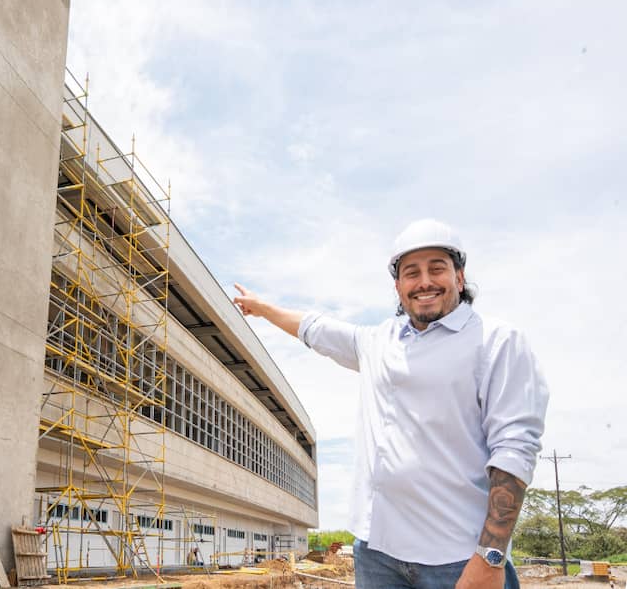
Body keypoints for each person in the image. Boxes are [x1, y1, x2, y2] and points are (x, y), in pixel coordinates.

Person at [232, 219, 549, 589]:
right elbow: (314, 328)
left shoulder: (497, 342)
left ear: (460, 278)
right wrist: (262, 307)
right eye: (411, 272)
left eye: (437, 268)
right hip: (377, 553)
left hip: (457, 558)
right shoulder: (378, 342)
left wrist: (491, 556)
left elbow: (514, 450)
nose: (424, 281)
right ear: (398, 286)